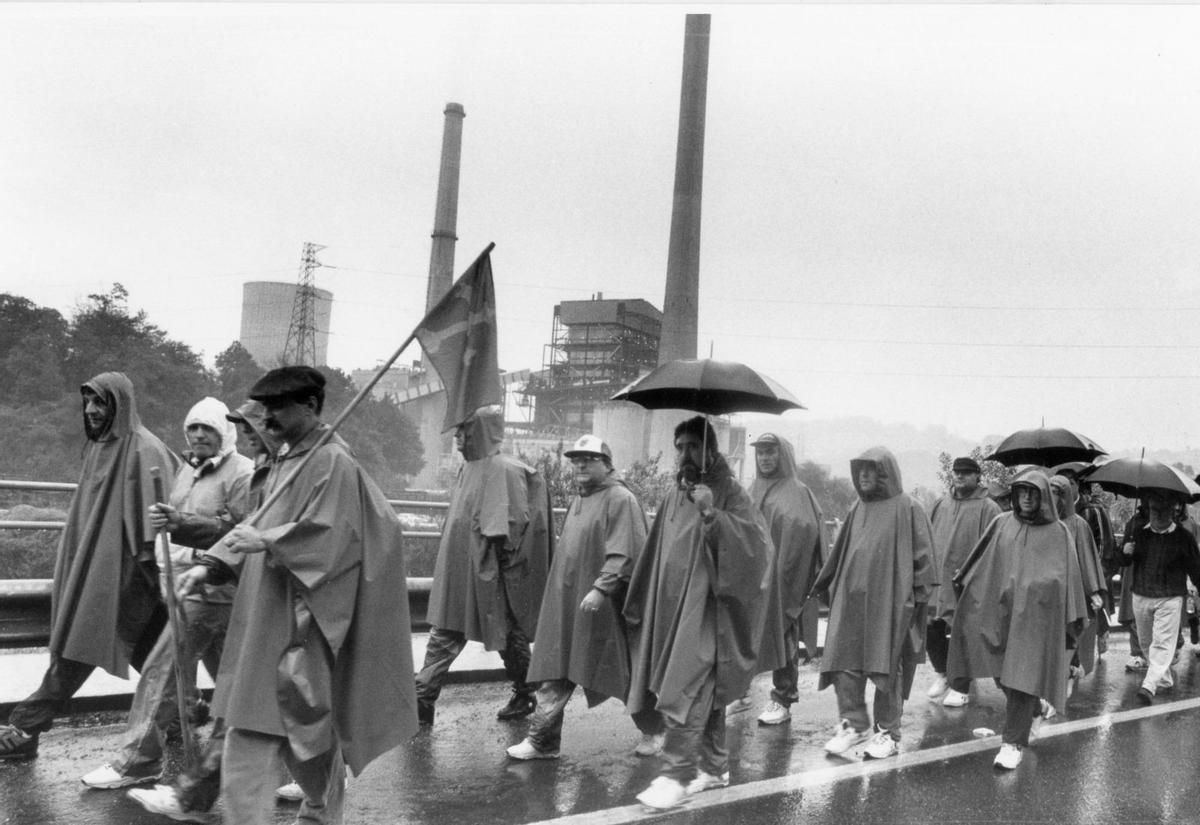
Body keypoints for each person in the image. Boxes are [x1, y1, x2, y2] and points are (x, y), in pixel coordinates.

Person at [174, 366, 416, 825]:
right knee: (258, 725)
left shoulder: (332, 462)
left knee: (301, 728)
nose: (268, 419)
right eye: (265, 410)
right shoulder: (286, 460)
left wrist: (271, 542)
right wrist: (211, 564)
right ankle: (312, 811)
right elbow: (255, 520)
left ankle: (322, 810)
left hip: (302, 619)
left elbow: (335, 535)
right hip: (263, 613)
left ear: (310, 406)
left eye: (278, 408)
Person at [0, 372, 178, 760]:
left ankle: (24, 728)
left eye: (101, 402)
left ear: (121, 405)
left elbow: (161, 526)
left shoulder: (145, 450)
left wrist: (154, 577)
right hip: (98, 573)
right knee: (154, 659)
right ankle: (183, 717)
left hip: (125, 580)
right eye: (88, 402)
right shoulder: (100, 447)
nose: (92, 410)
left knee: (80, 649)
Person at [81, 397, 252, 790]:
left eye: (207, 429)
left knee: (160, 674)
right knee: (243, 685)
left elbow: (242, 532)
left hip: (212, 589)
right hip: (185, 586)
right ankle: (310, 769)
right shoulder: (188, 471)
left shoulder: (240, 472)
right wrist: (166, 537)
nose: (198, 435)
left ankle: (136, 762)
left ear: (225, 433)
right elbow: (175, 526)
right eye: (192, 428)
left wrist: (182, 524)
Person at [127, 400, 276, 823]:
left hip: (255, 596)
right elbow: (244, 531)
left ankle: (147, 768)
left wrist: (204, 556)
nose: (246, 435)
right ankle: (317, 779)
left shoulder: (255, 472)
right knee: (251, 697)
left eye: (252, 427)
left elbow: (247, 530)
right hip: (220, 588)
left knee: (252, 697)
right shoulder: (198, 469)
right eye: (192, 429)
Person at [624, 417, 772, 810]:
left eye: (693, 446)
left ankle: (676, 773)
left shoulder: (730, 493)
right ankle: (715, 766)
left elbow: (756, 549)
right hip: (674, 607)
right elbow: (660, 548)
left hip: (710, 609)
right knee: (704, 691)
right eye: (680, 447)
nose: (685, 454)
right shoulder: (677, 493)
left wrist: (713, 515)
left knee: (685, 690)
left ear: (711, 450)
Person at [507, 434, 663, 761]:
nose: (579, 464)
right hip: (568, 606)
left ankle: (657, 728)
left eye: (588, 459)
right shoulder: (581, 498)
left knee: (621, 672)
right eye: (576, 459)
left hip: (604, 609)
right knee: (555, 669)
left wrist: (601, 588)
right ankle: (543, 741)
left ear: (606, 465)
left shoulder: (620, 499)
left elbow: (625, 552)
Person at [416, 405, 553, 724]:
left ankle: (525, 692)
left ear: (482, 431)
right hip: (466, 569)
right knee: (451, 631)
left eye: (465, 430)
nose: (458, 438)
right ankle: (424, 697)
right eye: (458, 431)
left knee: (504, 635)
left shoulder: (504, 469)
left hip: (492, 573)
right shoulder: (471, 468)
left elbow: (513, 523)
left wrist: (498, 569)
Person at [947, 471, 1087, 770]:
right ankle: (1034, 709)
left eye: (1032, 492)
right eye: (1021, 491)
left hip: (1036, 620)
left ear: (1043, 496)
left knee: (1021, 678)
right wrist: (965, 587)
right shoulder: (1001, 523)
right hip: (1000, 613)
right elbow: (978, 562)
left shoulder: (1060, 533)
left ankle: (1012, 743)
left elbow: (1068, 579)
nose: (1026, 497)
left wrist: (1061, 611)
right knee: (1001, 674)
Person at [811, 446, 935, 761]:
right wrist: (824, 586)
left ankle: (888, 733)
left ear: (885, 472)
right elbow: (839, 552)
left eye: (871, 469)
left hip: (891, 603)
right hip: (851, 601)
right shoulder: (857, 509)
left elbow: (924, 558)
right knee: (842, 661)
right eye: (860, 470)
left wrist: (917, 602)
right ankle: (854, 723)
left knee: (887, 667)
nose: (864, 476)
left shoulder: (909, 507)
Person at [745, 433, 828, 726]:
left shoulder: (797, 491)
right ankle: (741, 689)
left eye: (771, 452)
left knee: (783, 633)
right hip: (752, 578)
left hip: (783, 578)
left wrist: (783, 575)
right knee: (744, 631)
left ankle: (783, 697)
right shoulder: (753, 487)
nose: (765, 458)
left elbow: (804, 533)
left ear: (783, 455)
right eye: (761, 453)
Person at [925, 457, 1001, 709]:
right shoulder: (940, 504)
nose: (959, 477)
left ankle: (961, 687)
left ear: (978, 476)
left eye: (966, 473)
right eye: (956, 472)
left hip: (970, 584)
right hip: (938, 582)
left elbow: (996, 547)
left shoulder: (989, 508)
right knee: (931, 628)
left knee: (964, 635)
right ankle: (944, 673)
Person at [1121, 491, 1200, 705]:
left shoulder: (1184, 537)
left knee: (1163, 643)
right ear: (1148, 510)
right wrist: (1126, 552)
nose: (1159, 515)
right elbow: (1125, 562)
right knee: (1146, 642)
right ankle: (1162, 680)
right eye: (1154, 510)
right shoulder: (1139, 533)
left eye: (1164, 510)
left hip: (1170, 596)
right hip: (1141, 594)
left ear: (1173, 511)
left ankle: (1149, 686)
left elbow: (1196, 568)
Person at [1049, 474, 1107, 692]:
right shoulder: (1043, 523)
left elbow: (1086, 558)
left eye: (1058, 492)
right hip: (1049, 591)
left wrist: (1094, 591)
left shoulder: (1078, 525)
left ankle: (1068, 673)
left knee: (1068, 633)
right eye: (1050, 491)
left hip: (1072, 591)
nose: (1054, 497)